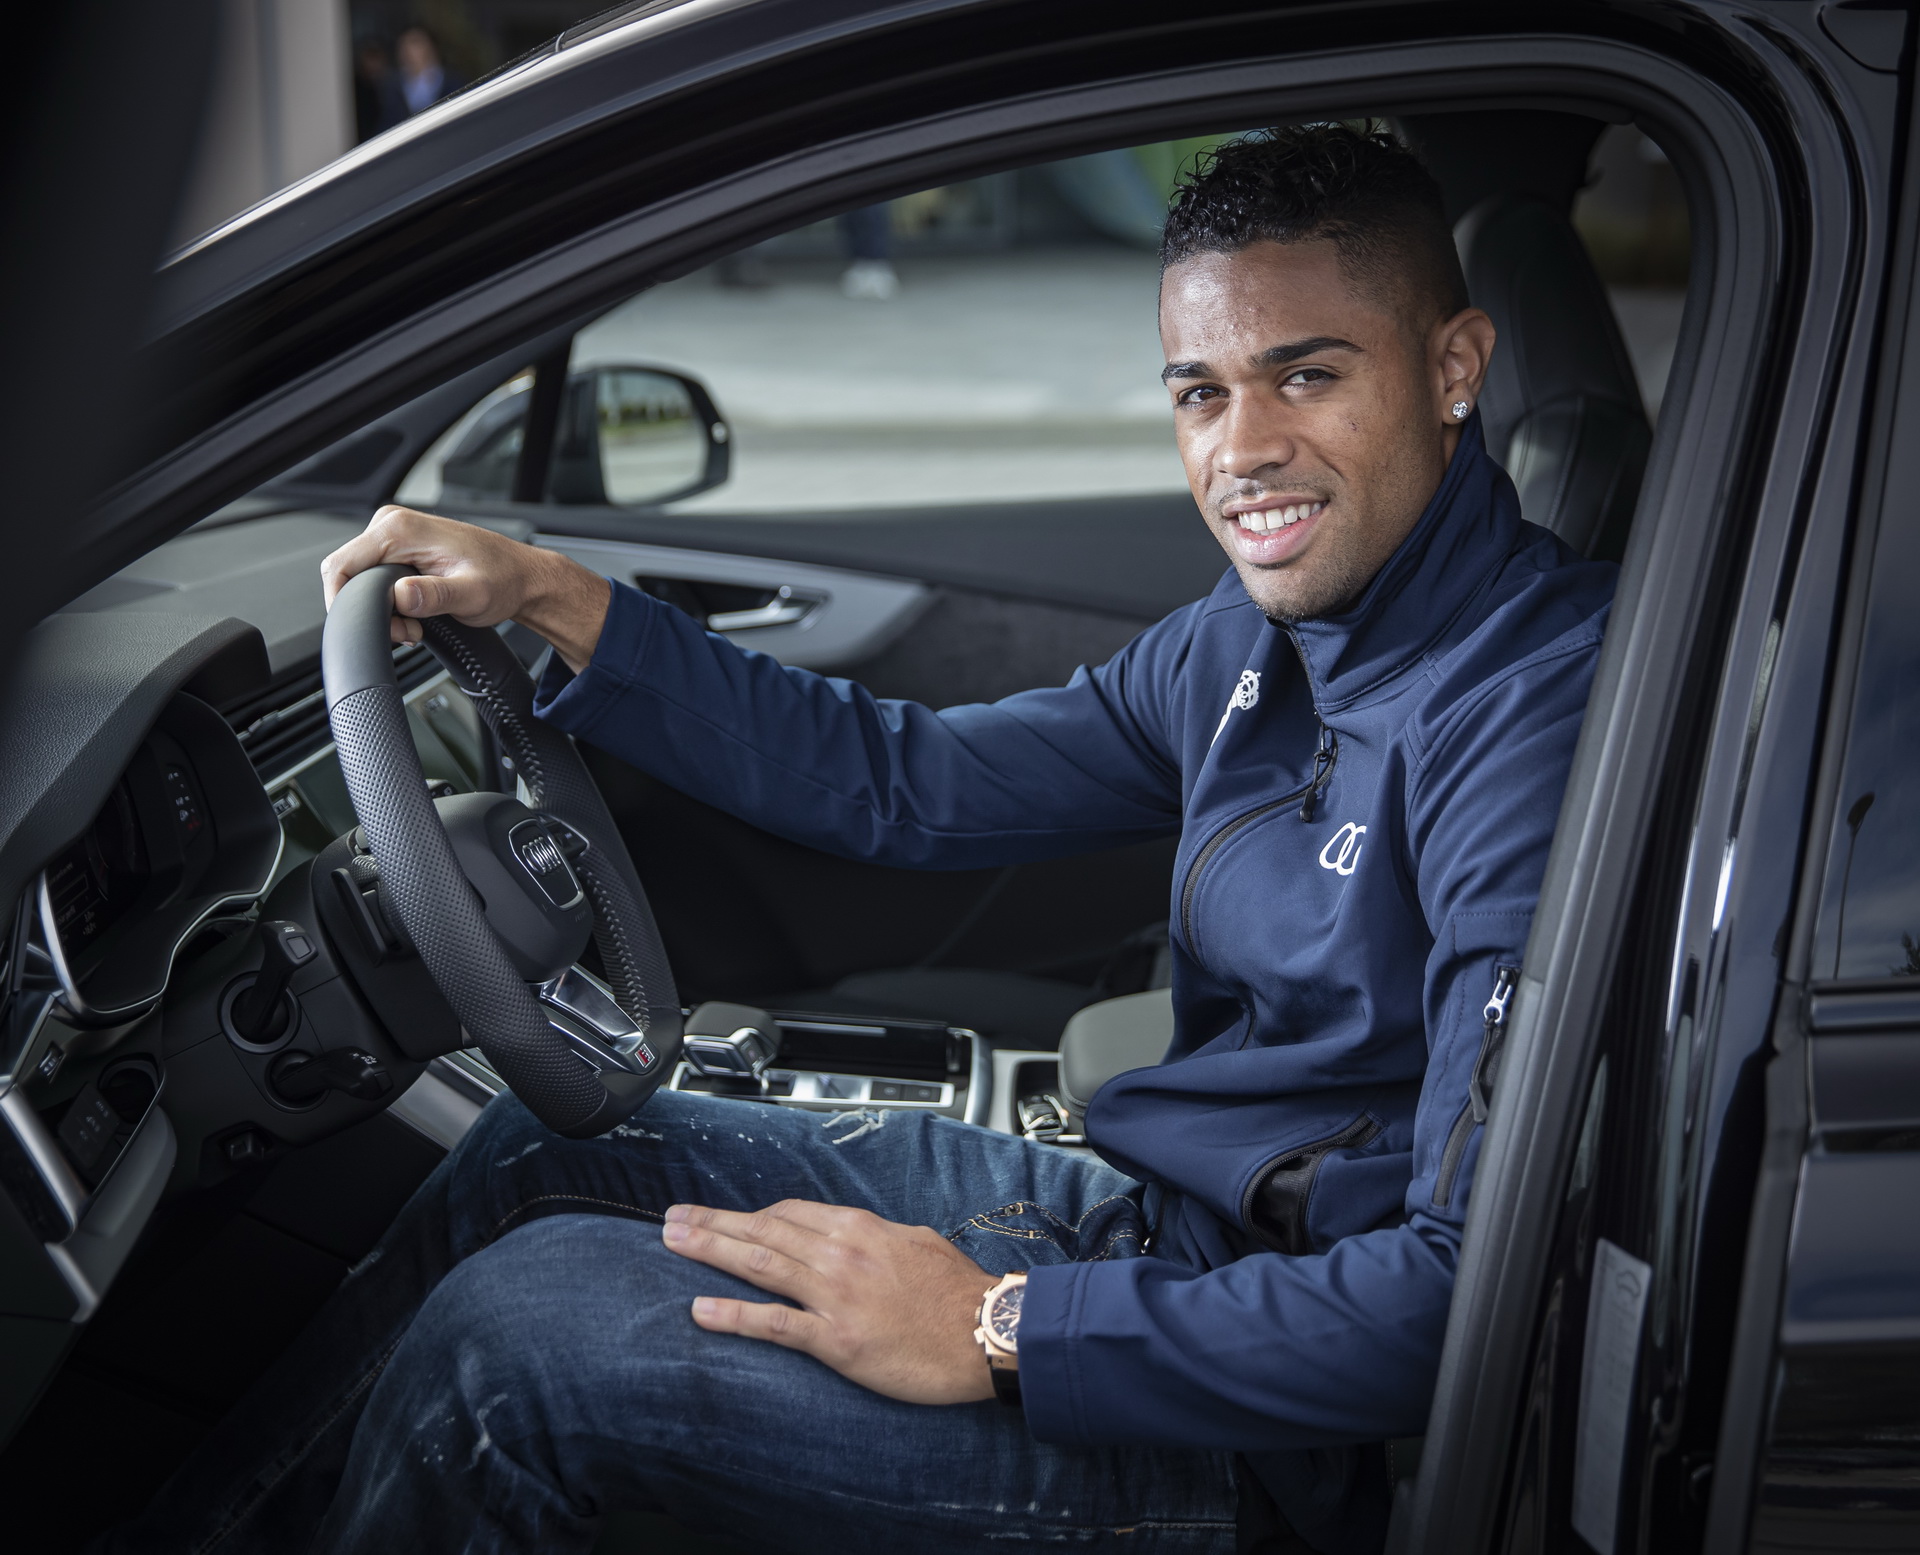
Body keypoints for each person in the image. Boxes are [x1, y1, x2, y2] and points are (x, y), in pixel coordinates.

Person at [104, 125, 1614, 1555]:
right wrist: (565, 598)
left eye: (1307, 376)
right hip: (1159, 1236)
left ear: (1457, 368)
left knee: (519, 1348)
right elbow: (919, 786)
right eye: (1201, 392)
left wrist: (999, 1326)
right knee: (530, 1152)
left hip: (1257, 1431)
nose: (1244, 450)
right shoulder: (1256, 639)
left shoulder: (1528, 718)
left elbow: (1460, 1294)